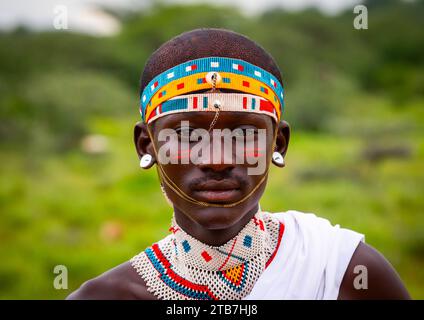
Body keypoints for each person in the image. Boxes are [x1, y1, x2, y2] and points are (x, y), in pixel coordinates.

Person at [67, 28, 410, 300]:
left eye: (245, 134)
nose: (217, 160)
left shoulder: (344, 272)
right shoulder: (106, 296)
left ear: (279, 143)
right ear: (147, 144)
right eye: (187, 135)